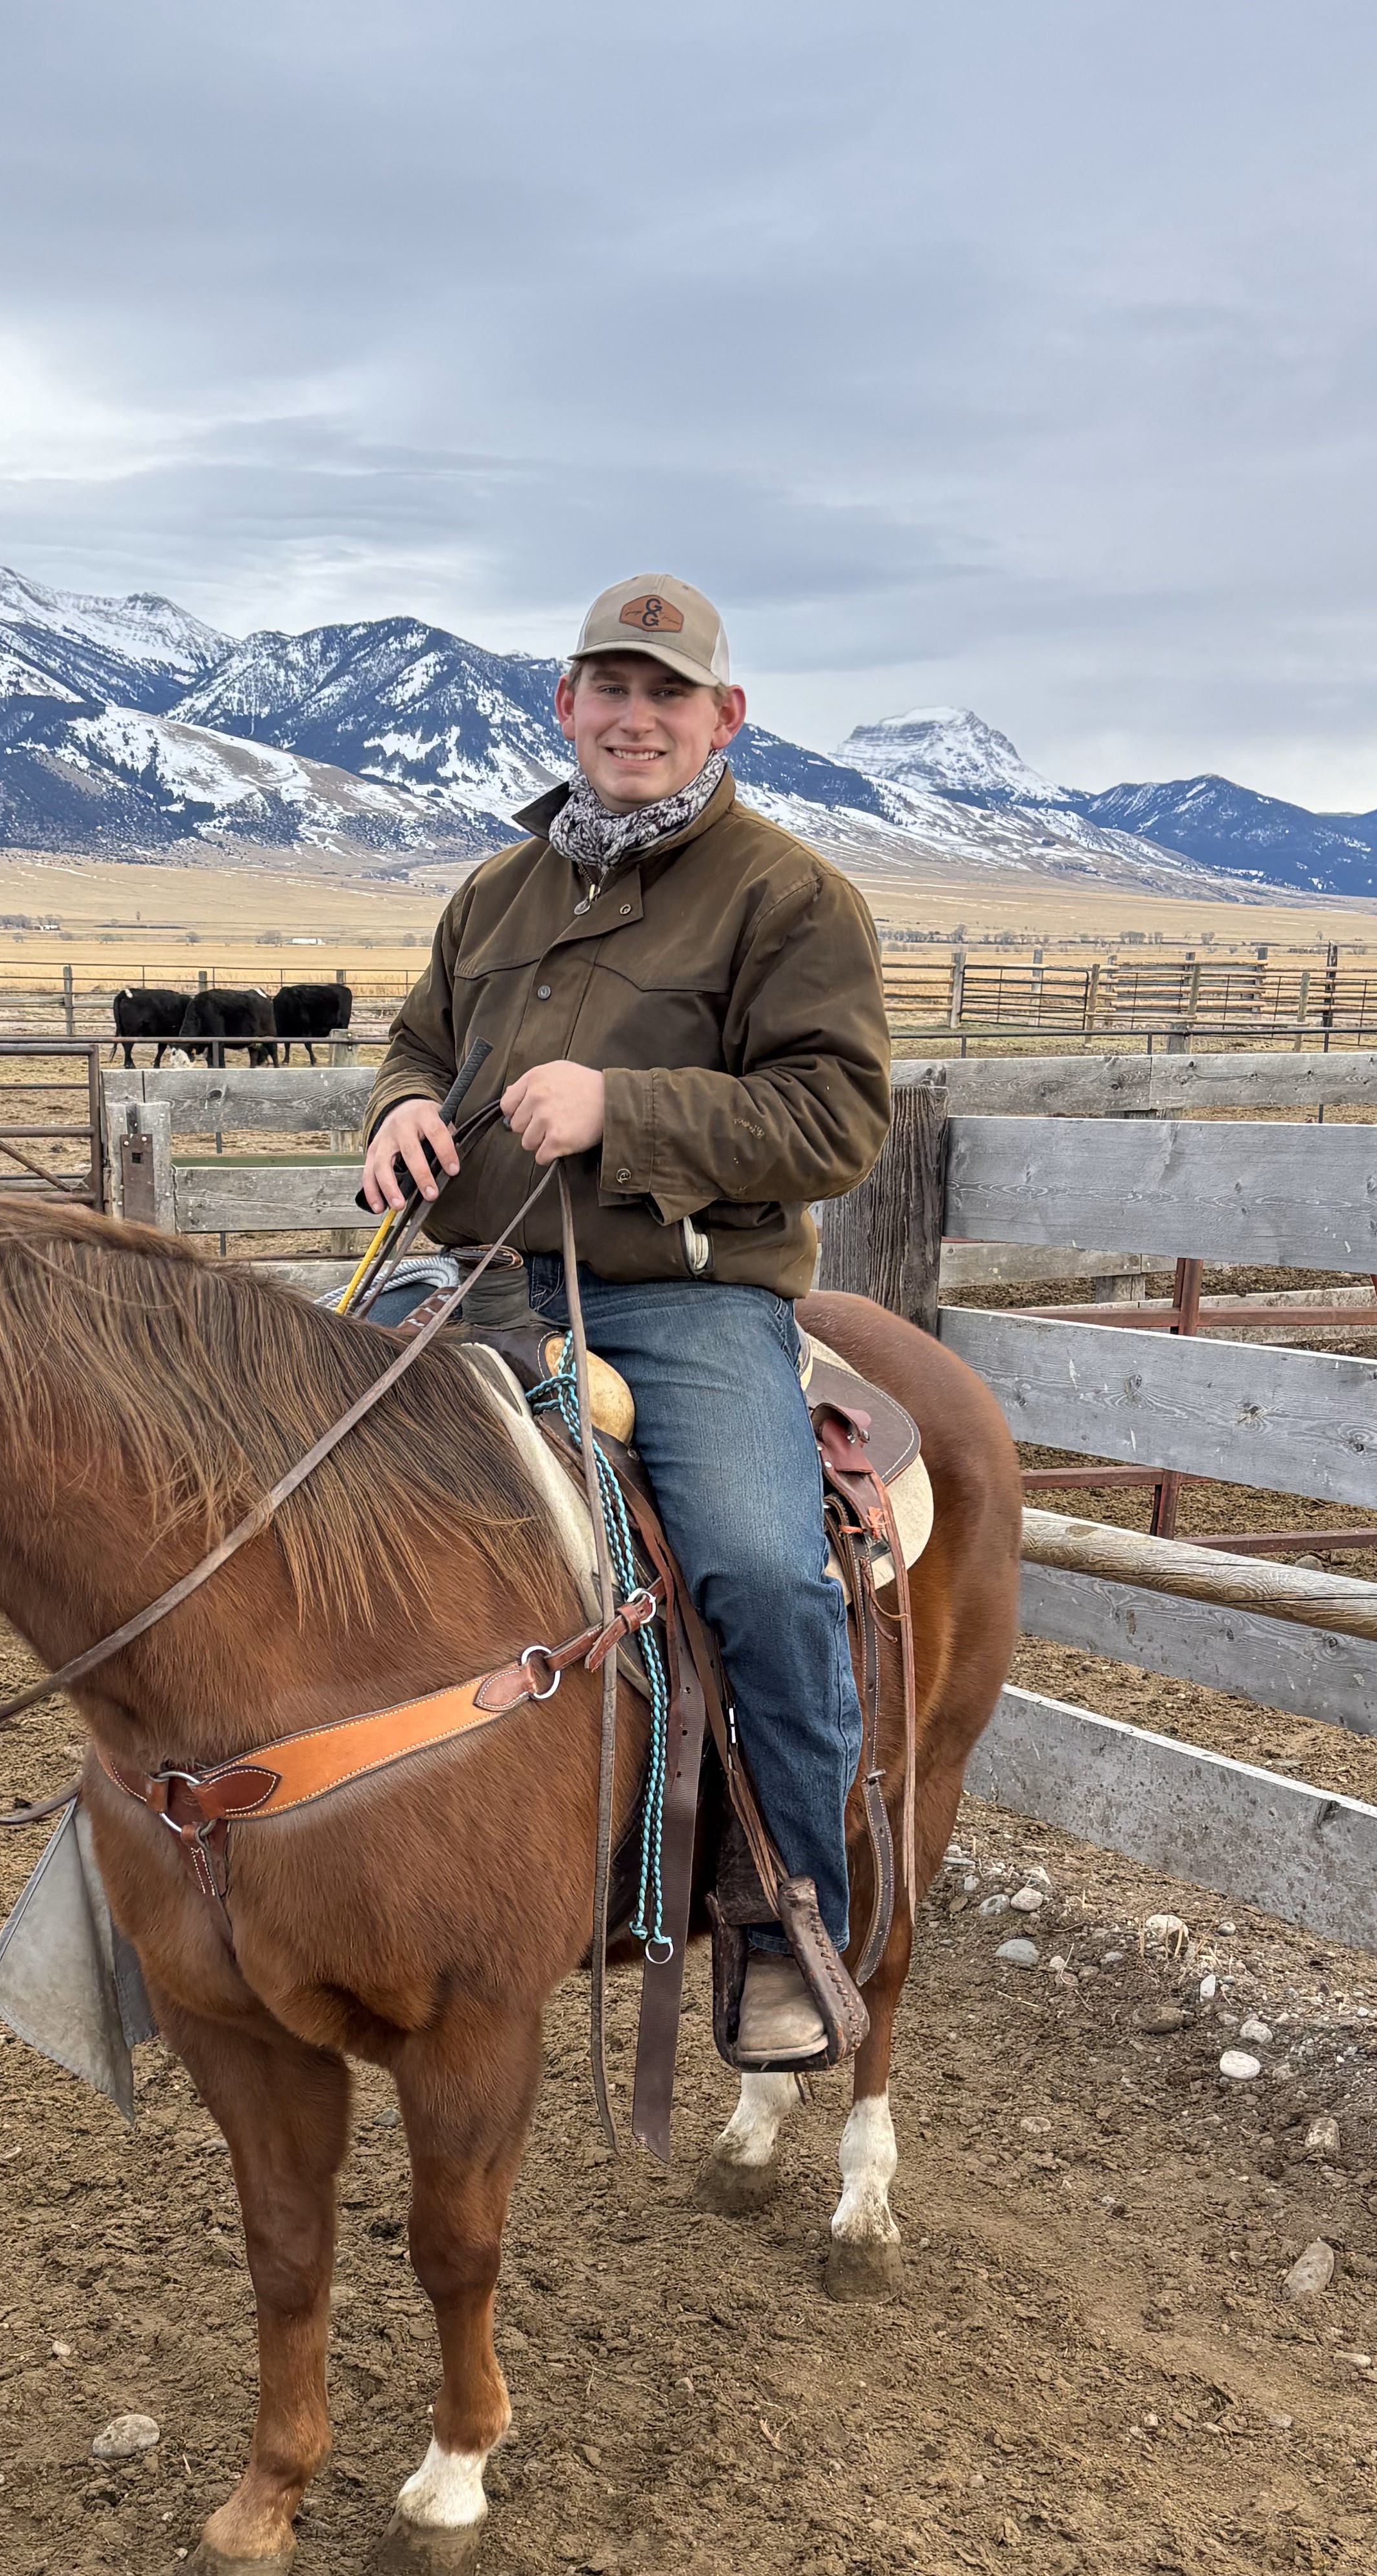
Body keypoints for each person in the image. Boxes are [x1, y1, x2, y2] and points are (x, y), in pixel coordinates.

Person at [360, 572, 892, 2070]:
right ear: (565, 706)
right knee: (264, 1478)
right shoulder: (497, 890)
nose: (636, 717)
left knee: (767, 1573)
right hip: (468, 1280)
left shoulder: (787, 897)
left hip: (683, 1304)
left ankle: (791, 1918)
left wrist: (621, 1107)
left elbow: (838, 1117)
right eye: (613, 687)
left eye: (670, 693)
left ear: (726, 716)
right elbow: (416, 1034)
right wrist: (401, 1104)